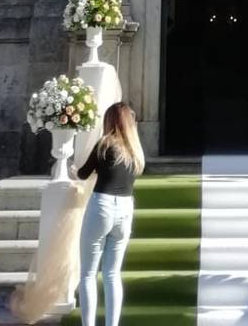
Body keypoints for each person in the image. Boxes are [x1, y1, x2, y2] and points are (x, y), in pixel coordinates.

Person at [74, 102, 146, 326]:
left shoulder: (104, 145)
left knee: (88, 274)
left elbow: (83, 174)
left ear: (111, 120)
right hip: (125, 209)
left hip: (102, 205)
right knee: (112, 274)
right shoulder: (135, 152)